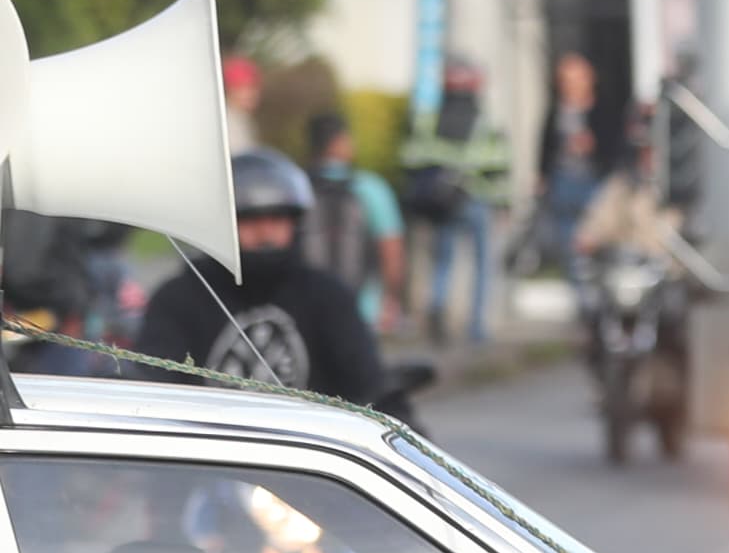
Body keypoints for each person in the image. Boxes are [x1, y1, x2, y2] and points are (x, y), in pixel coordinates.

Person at [136, 149, 394, 408]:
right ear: (222, 224)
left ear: (296, 223)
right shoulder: (180, 299)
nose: (265, 233)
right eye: (249, 220)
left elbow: (371, 389)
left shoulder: (327, 297)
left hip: (306, 446)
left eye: (277, 219)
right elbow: (150, 390)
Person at [400, 59, 511, 346]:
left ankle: (438, 306)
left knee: (443, 261)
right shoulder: (485, 123)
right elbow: (499, 165)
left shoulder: (429, 120)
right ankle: (477, 328)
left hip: (443, 202)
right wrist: (504, 203)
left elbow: (410, 159)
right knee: (482, 264)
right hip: (477, 199)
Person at [304, 112, 405, 335]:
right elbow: (391, 250)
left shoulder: (296, 188)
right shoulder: (371, 188)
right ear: (342, 142)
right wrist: (391, 300)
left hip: (306, 311)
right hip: (363, 311)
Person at [534, 51, 603, 278]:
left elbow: (613, 144)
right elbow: (545, 144)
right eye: (565, 80)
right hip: (563, 180)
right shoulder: (557, 111)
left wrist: (593, 144)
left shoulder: (601, 109)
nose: (570, 85)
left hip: (593, 179)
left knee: (594, 234)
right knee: (567, 238)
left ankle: (596, 283)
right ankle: (579, 288)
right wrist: (541, 175)